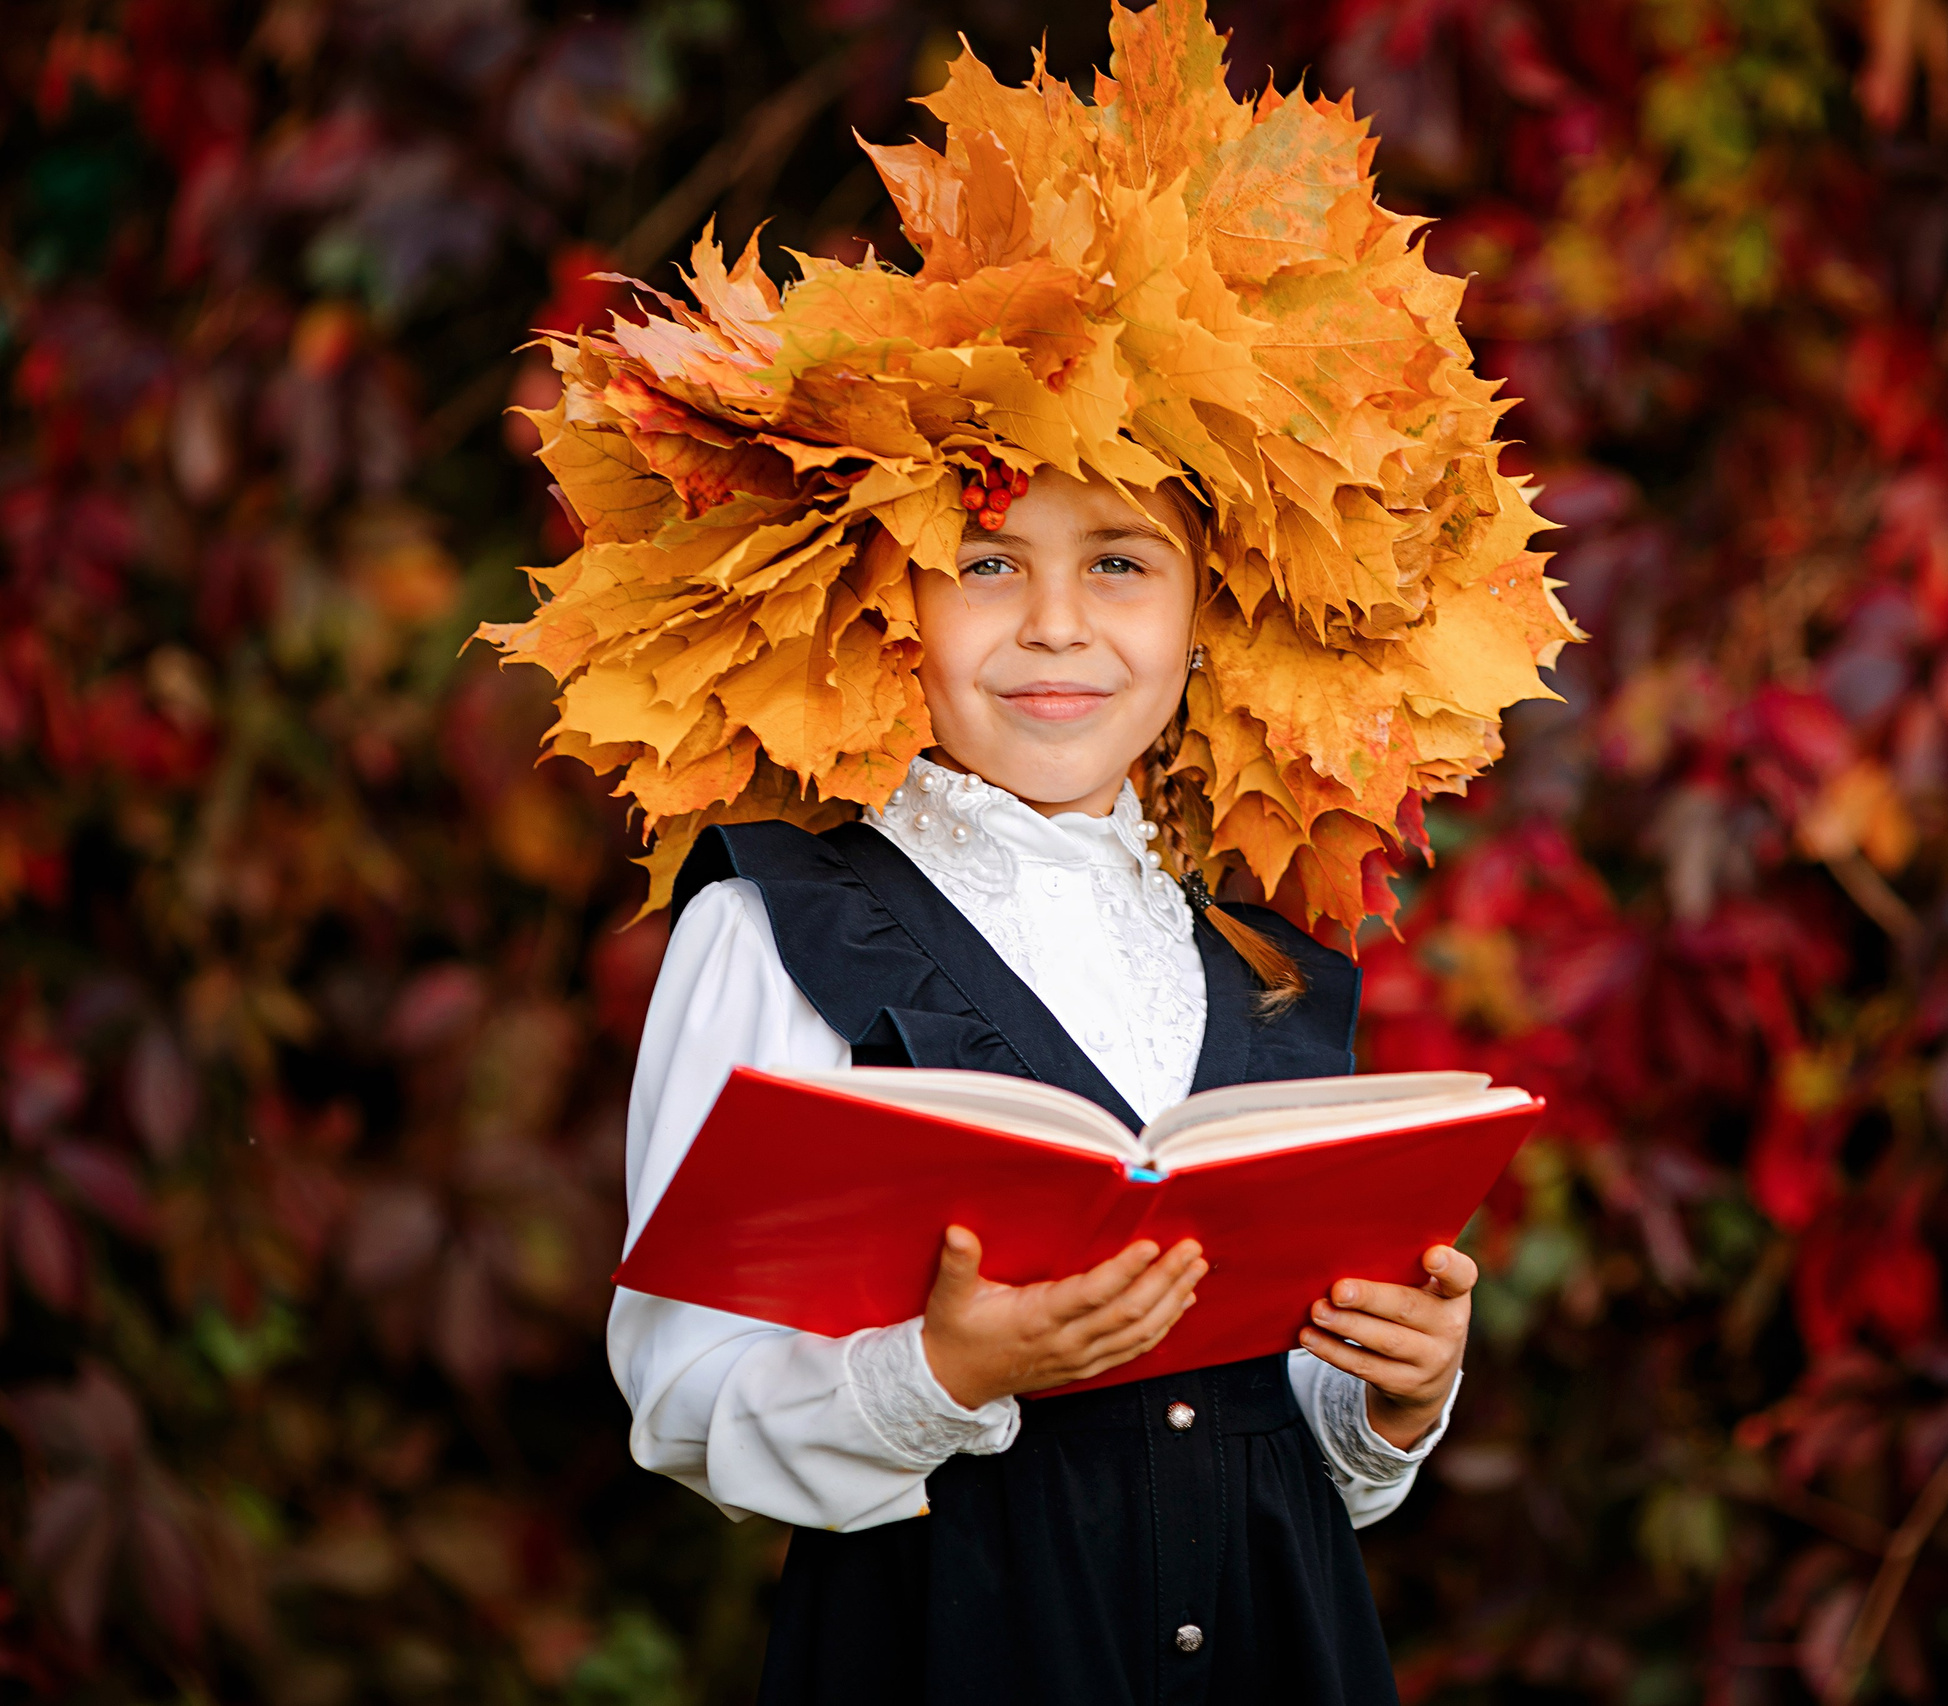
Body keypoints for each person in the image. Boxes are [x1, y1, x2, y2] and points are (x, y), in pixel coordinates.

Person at [477, 3, 1577, 1698]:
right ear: (880, 589)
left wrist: (1395, 1390)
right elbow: (680, 1390)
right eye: (985, 561)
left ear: (1216, 609)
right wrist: (933, 1370)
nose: (1056, 626)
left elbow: (1305, 1437)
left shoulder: (1268, 952)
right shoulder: (780, 927)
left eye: (1123, 562)